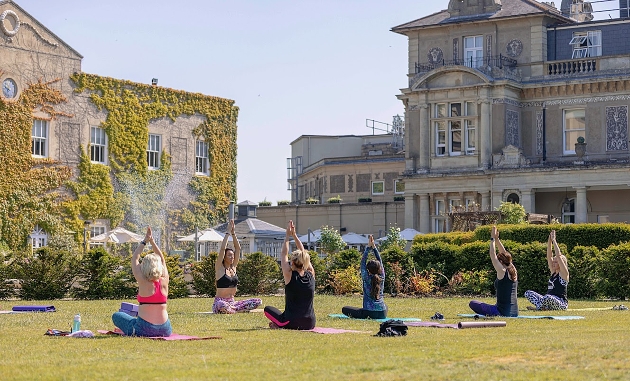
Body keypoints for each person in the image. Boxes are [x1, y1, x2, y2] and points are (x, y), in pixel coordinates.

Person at [112, 227, 172, 336]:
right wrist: (152, 241)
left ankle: (127, 329)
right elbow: (162, 259)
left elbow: (135, 258)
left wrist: (145, 241)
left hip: (144, 329)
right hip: (165, 329)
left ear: (144, 266)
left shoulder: (142, 281)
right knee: (129, 318)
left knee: (117, 316)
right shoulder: (164, 280)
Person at [264, 220, 316, 330]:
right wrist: (295, 235)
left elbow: (284, 254)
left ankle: (280, 325)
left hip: (292, 322)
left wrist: (288, 236)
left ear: (292, 263)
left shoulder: (289, 274)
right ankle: (280, 325)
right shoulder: (311, 274)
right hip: (310, 323)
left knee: (267, 309)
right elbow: (303, 253)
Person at [212, 219, 262, 314]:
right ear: (224, 257)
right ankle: (235, 310)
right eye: (229, 255)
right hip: (220, 302)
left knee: (258, 301)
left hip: (232, 302)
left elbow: (238, 248)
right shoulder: (219, 268)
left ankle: (234, 309)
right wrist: (228, 233)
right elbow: (222, 249)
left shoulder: (233, 267)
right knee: (221, 305)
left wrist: (234, 233)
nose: (232, 257)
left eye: (232, 255)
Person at [469, 226, 518, 317]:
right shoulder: (513, 270)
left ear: (501, 262)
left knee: (473, 303)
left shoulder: (502, 271)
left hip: (501, 312)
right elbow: (505, 253)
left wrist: (492, 239)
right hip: (514, 312)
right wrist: (497, 239)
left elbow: (492, 254)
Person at [341, 235, 387, 319]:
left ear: (368, 270)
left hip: (368, 312)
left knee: (345, 309)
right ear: (379, 268)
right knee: (384, 305)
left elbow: (362, 263)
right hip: (382, 313)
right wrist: (374, 247)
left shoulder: (366, 277)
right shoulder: (382, 277)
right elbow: (380, 261)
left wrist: (368, 248)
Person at [525, 230, 569, 310]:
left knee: (548, 297)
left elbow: (558, 255)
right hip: (547, 300)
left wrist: (554, 240)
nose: (553, 263)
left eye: (556, 262)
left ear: (561, 263)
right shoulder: (553, 272)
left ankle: (539, 308)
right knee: (528, 293)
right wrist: (549, 241)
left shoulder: (564, 274)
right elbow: (549, 256)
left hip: (561, 303)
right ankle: (543, 307)